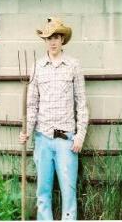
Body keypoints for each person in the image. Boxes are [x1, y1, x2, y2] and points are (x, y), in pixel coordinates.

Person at [19, 17, 89, 220]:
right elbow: (31, 105)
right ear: (45, 40)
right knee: (43, 192)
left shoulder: (73, 66)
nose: (53, 41)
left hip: (67, 140)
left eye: (56, 36)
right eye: (49, 37)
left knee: (68, 192)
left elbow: (82, 104)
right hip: (42, 139)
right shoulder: (37, 67)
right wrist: (27, 132)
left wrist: (80, 135)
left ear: (62, 39)